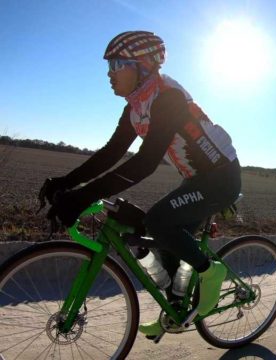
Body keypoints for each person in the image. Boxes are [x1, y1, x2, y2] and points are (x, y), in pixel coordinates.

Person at [39, 31, 240, 337]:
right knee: (164, 236)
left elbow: (145, 163)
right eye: (108, 66)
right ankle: (176, 310)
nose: (109, 74)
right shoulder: (136, 106)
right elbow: (111, 153)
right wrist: (65, 183)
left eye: (117, 64)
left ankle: (211, 272)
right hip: (198, 179)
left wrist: (82, 197)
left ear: (144, 65)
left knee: (158, 221)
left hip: (221, 177)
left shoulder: (167, 98)